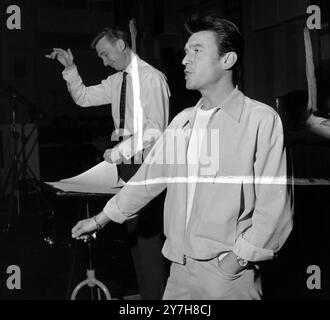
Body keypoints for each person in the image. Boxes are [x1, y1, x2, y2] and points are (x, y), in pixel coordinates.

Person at [72, 15, 293, 300]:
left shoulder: (261, 121)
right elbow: (149, 180)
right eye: (186, 51)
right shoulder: (182, 122)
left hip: (228, 276)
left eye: (196, 51)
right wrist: (101, 219)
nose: (184, 60)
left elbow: (275, 207)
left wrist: (237, 260)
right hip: (178, 271)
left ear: (227, 60)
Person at [46, 24, 171, 299]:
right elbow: (83, 98)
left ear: (121, 45)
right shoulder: (117, 82)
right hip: (126, 166)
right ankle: (149, 295)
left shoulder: (152, 79)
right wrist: (70, 68)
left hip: (149, 167)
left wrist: (119, 151)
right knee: (135, 243)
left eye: (105, 54)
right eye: (100, 57)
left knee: (149, 245)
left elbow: (156, 130)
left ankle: (158, 298)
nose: (104, 61)